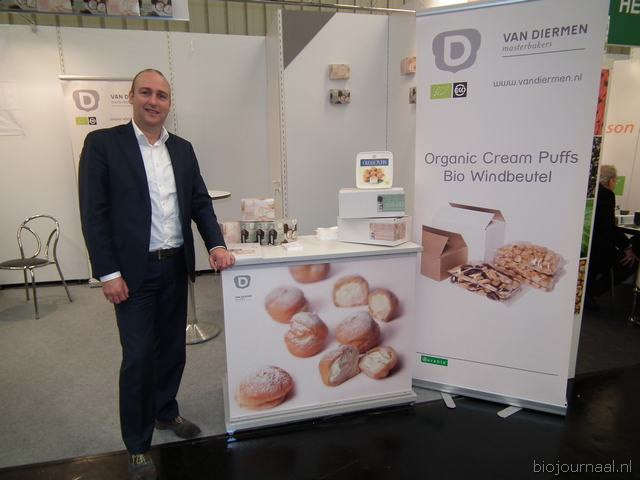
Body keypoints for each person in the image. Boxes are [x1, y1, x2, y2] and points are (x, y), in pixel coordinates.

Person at [78, 69, 235, 480]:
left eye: (161, 95)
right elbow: (94, 214)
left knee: (172, 350)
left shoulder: (181, 149)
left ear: (169, 103)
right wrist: (107, 273)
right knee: (138, 357)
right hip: (132, 273)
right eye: (145, 92)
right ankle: (137, 443)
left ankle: (166, 411)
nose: (153, 101)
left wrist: (216, 245)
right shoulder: (103, 144)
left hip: (175, 266)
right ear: (131, 96)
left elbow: (200, 203)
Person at [585, 165, 638, 310]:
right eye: (615, 181)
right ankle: (591, 292)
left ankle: (588, 292)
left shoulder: (590, 190)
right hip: (597, 250)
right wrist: (627, 247)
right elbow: (608, 227)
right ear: (611, 180)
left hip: (588, 247)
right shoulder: (606, 194)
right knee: (630, 261)